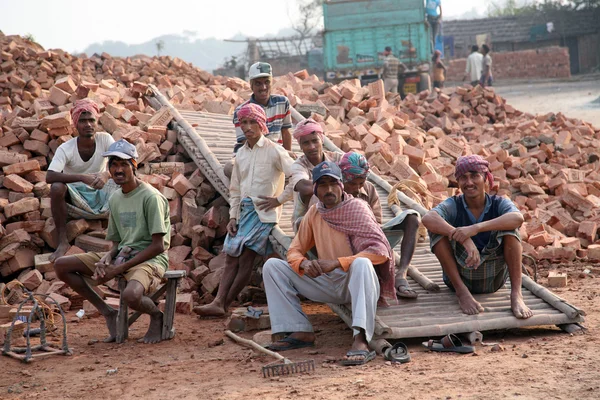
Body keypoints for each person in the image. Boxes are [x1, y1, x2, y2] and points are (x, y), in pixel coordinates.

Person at [262, 161, 395, 366]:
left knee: (362, 264)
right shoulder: (315, 213)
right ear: (316, 189)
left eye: (333, 183)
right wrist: (304, 264)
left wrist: (337, 263)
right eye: (323, 185)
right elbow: (294, 250)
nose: (329, 190)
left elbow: (380, 252)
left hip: (357, 283)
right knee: (272, 267)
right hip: (327, 281)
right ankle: (300, 331)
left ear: (341, 185)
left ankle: (360, 338)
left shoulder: (357, 208)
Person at [54, 139, 172, 344]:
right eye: (113, 164)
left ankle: (157, 316)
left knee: (131, 295)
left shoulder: (151, 197)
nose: (118, 170)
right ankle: (108, 312)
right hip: (124, 254)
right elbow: (116, 243)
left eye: (124, 164)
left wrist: (117, 269)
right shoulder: (116, 198)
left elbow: (158, 246)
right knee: (61, 265)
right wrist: (107, 259)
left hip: (151, 259)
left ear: (134, 166)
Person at [195, 103, 294, 317]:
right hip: (243, 212)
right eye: (244, 123)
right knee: (231, 257)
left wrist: (279, 200)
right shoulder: (241, 154)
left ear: (261, 124)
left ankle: (223, 303)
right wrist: (232, 216)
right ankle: (219, 302)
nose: (248, 127)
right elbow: (235, 189)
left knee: (246, 258)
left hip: (263, 213)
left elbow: (296, 176)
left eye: (252, 122)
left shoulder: (274, 150)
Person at [421, 155, 533, 319]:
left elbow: (518, 218)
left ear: (486, 178)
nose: (469, 182)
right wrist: (463, 237)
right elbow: (427, 218)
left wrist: (475, 228)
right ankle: (462, 293)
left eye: (474, 176)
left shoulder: (498, 203)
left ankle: (516, 295)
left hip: (494, 279)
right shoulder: (454, 204)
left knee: (511, 230)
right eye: (463, 178)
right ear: (458, 182)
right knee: (437, 229)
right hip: (460, 278)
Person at [339, 152, 421, 298]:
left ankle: (401, 273)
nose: (357, 188)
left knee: (412, 217)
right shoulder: (334, 191)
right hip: (344, 244)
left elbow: (376, 226)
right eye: (352, 183)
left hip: (370, 241)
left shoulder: (369, 189)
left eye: (361, 183)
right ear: (342, 179)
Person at [46, 99, 116, 261]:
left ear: (97, 122)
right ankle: (63, 242)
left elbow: (120, 161)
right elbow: (50, 176)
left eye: (91, 120)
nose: (88, 125)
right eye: (83, 121)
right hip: (76, 197)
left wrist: (106, 174)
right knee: (57, 187)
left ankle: (125, 239)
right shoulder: (66, 148)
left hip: (101, 191)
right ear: (75, 124)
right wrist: (81, 178)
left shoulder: (105, 139)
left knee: (127, 179)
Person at [276, 119, 342, 229]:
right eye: (306, 143)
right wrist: (333, 184)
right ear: (300, 146)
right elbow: (304, 187)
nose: (312, 147)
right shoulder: (299, 165)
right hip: (306, 221)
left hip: (336, 215)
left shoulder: (337, 159)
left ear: (322, 139)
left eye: (315, 141)